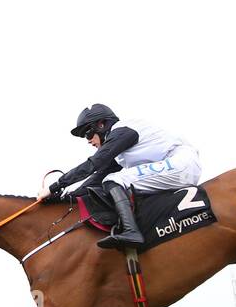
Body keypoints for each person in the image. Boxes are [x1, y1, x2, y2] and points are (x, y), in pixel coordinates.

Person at [40, 104, 201, 250]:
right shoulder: (120, 152)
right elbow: (96, 178)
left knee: (114, 180)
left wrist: (54, 186)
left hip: (182, 162)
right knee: (110, 179)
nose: (88, 141)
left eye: (88, 133)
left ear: (101, 125)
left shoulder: (122, 131)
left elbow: (93, 163)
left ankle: (131, 231)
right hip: (175, 168)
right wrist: (67, 198)